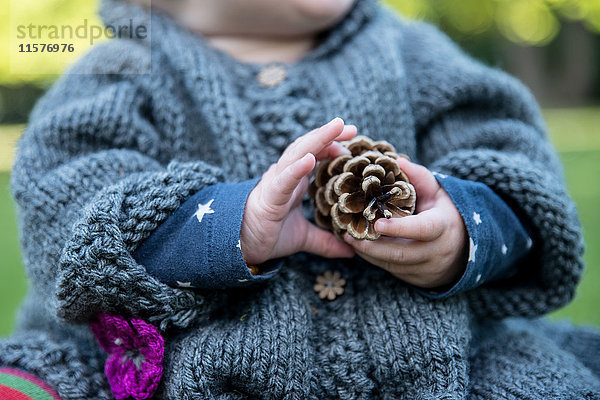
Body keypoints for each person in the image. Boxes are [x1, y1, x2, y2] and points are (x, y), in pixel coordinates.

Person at [1, 0, 599, 398]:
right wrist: (225, 229)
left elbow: (514, 164)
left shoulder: (413, 53)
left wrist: (463, 229)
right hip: (204, 375)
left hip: (451, 365)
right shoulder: (120, 69)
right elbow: (70, 203)